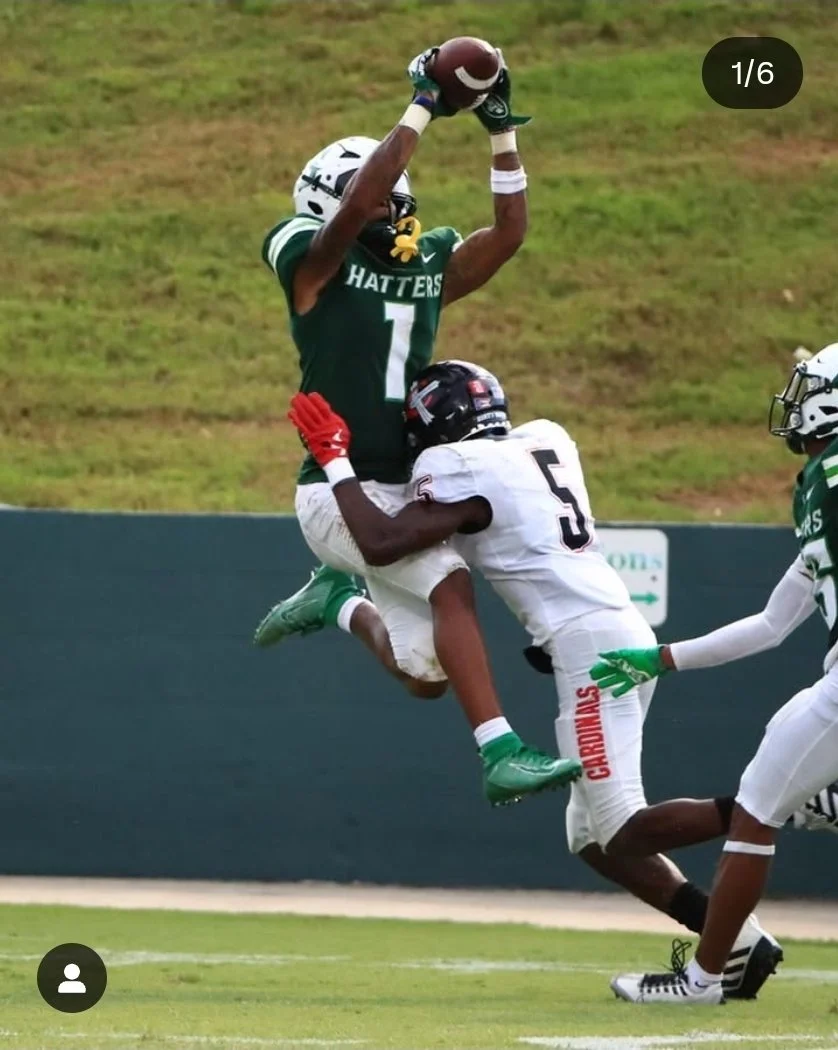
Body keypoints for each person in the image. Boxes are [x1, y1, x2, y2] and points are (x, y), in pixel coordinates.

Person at [286, 359, 784, 1000]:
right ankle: (737, 940)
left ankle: (778, 802)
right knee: (590, 838)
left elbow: (382, 543)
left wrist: (336, 462)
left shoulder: (457, 467)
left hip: (592, 650)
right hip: (610, 630)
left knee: (621, 828)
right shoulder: (546, 439)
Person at [254, 49, 581, 806]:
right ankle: (501, 752)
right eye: (378, 197)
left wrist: (500, 130)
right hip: (335, 487)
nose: (392, 207)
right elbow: (349, 216)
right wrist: (422, 106)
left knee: (427, 676)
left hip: (405, 486)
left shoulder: (423, 263)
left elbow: (508, 234)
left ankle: (337, 602)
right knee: (449, 583)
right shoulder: (310, 263)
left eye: (395, 197)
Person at [598, 342, 838, 1004]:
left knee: (758, 806)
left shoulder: (831, 474)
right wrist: (663, 657)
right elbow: (770, 623)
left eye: (809, 390)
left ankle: (702, 980)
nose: (795, 403)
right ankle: (820, 803)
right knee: (771, 776)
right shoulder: (817, 491)